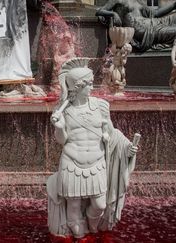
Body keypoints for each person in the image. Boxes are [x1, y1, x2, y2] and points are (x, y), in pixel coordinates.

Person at [47, 58, 139, 239]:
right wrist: (58, 126)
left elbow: (111, 133)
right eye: (88, 84)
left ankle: (92, 224)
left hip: (97, 164)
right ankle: (77, 228)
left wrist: (126, 148)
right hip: (71, 163)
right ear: (77, 87)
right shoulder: (63, 110)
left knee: (99, 205)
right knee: (73, 205)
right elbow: (62, 140)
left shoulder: (101, 106)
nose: (91, 88)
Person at [96, 0, 176, 51]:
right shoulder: (116, 0)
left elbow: (155, 13)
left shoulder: (138, 2)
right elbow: (99, 11)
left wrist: (174, 4)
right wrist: (113, 13)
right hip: (143, 31)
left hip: (155, 22)